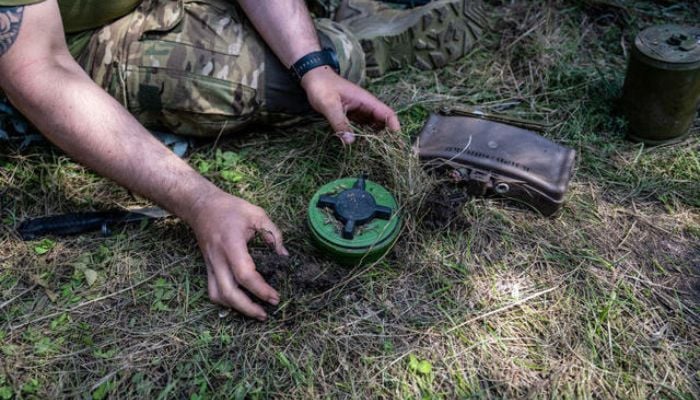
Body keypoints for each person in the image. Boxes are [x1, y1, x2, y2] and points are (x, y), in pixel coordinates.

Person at [0, 0, 486, 320]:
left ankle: (330, 38)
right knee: (269, 79)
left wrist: (313, 68)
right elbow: (39, 67)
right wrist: (199, 201)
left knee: (316, 63)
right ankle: (352, 40)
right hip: (58, 40)